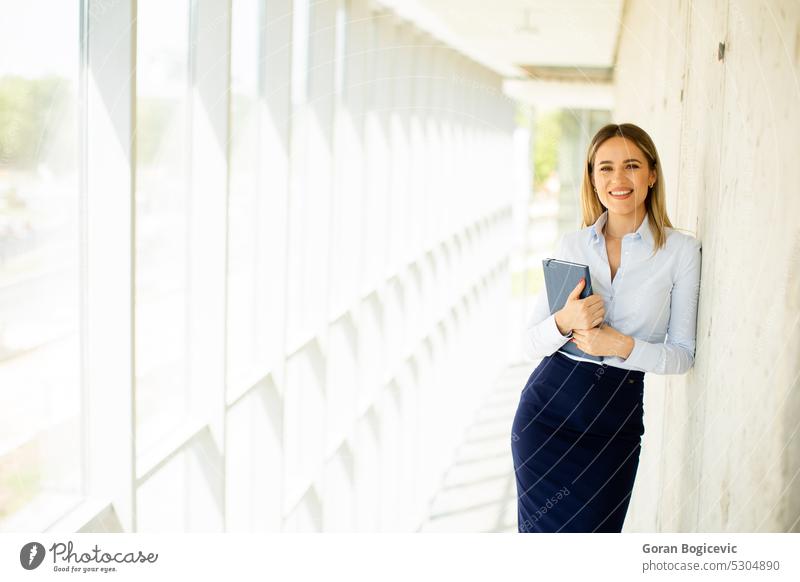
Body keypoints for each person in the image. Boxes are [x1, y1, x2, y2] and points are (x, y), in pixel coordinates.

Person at [510, 123, 702, 533]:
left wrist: (621, 345)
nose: (618, 179)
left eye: (631, 165)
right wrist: (565, 321)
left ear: (652, 174)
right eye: (606, 168)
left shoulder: (681, 252)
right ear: (593, 179)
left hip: (613, 425)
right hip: (546, 416)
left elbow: (683, 355)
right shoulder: (572, 245)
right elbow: (529, 343)